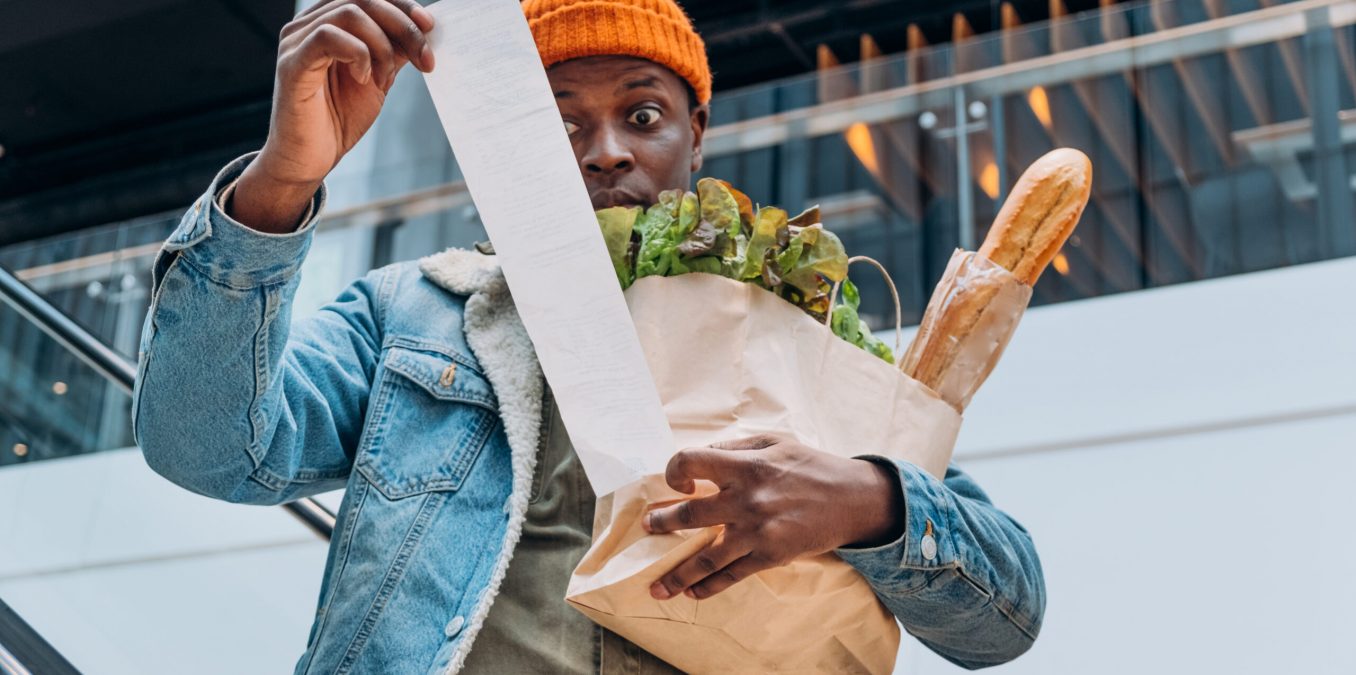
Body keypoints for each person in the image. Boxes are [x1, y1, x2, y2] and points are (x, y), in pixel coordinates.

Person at [132, 0, 1046, 672]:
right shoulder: (413, 310)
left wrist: (868, 500)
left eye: (643, 115)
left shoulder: (795, 335)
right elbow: (206, 448)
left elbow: (1005, 615)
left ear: (697, 137)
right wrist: (283, 177)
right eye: (559, 121)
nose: (605, 148)